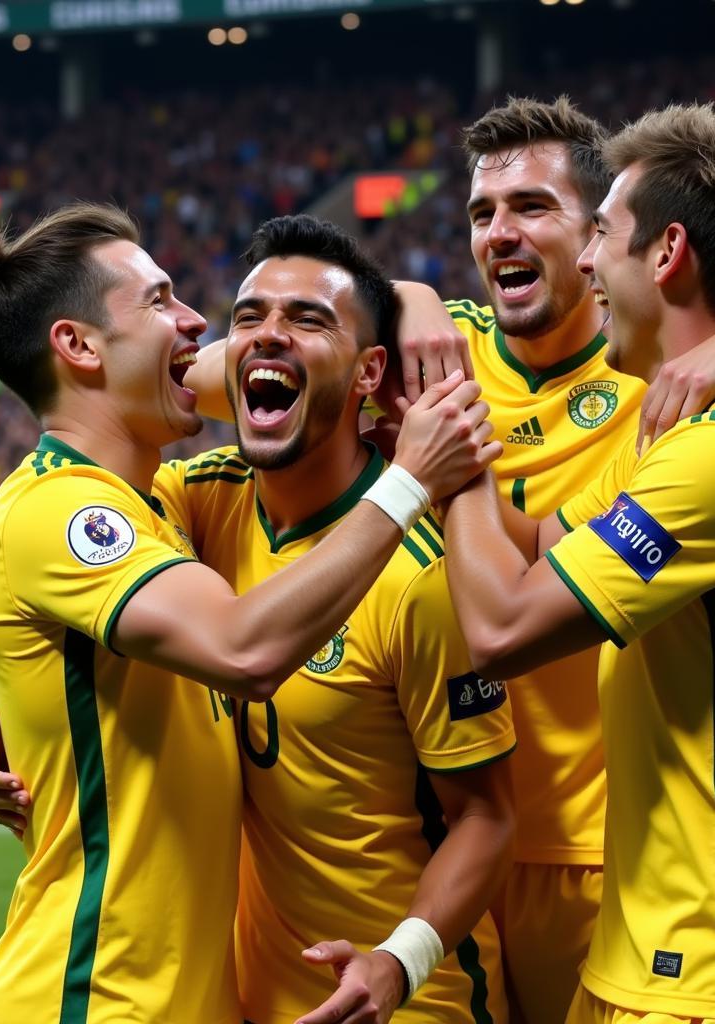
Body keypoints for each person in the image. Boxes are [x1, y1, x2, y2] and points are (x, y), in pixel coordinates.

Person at [0, 202, 497, 1024]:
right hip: (94, 996)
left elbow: (276, 362)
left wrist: (410, 299)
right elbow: (243, 651)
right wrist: (411, 481)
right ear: (77, 346)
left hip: (209, 999)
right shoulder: (66, 509)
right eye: (160, 301)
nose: (196, 323)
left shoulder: (165, 509)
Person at [390, 95, 715, 1024]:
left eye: (599, 231)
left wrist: (448, 458)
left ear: (668, 254)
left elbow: (498, 626)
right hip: (657, 948)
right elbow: (545, 545)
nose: (582, 260)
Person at [179, 214, 515, 1023]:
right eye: (249, 317)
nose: (268, 335)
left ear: (370, 373)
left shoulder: (425, 579)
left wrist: (402, 963)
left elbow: (488, 816)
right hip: (254, 997)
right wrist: (13, 729)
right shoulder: (196, 503)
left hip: (412, 1004)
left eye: (307, 319)